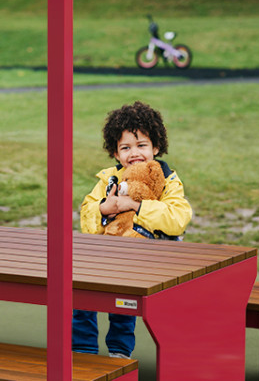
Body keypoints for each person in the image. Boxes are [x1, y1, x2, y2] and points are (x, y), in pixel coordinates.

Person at [72, 100, 193, 360]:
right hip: (110, 255)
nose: (133, 153)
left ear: (156, 147)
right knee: (79, 289)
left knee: (122, 300)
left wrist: (135, 206)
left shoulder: (166, 179)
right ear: (116, 154)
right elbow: (86, 216)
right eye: (125, 147)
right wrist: (105, 208)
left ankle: (119, 350)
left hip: (149, 259)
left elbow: (178, 217)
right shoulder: (109, 179)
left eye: (141, 145)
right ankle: (82, 350)